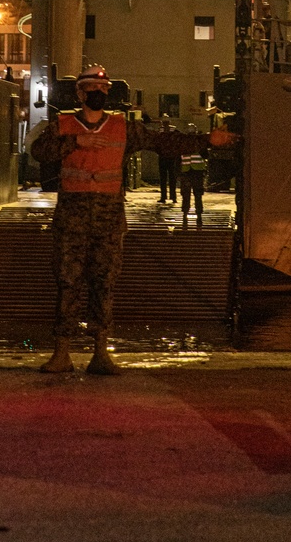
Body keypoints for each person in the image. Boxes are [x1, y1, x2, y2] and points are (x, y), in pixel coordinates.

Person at [30, 66, 167, 375]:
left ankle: (101, 353)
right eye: (93, 88)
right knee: (67, 284)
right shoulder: (63, 126)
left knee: (104, 285)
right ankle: (61, 353)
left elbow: (161, 142)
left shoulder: (123, 128)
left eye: (104, 89)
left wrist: (207, 141)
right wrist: (76, 143)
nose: (99, 94)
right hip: (72, 223)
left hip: (108, 224)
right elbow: (39, 152)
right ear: (80, 93)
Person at [179, 125, 209, 228]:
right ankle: (199, 215)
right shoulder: (199, 142)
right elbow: (206, 155)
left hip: (186, 172)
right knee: (198, 194)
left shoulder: (183, 142)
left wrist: (178, 173)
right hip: (197, 172)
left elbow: (178, 157)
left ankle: (185, 215)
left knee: (186, 195)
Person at [157, 113, 179, 205]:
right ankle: (171, 197)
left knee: (165, 178)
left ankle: (165, 197)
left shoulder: (160, 130)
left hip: (165, 157)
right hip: (169, 157)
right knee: (170, 178)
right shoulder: (173, 130)